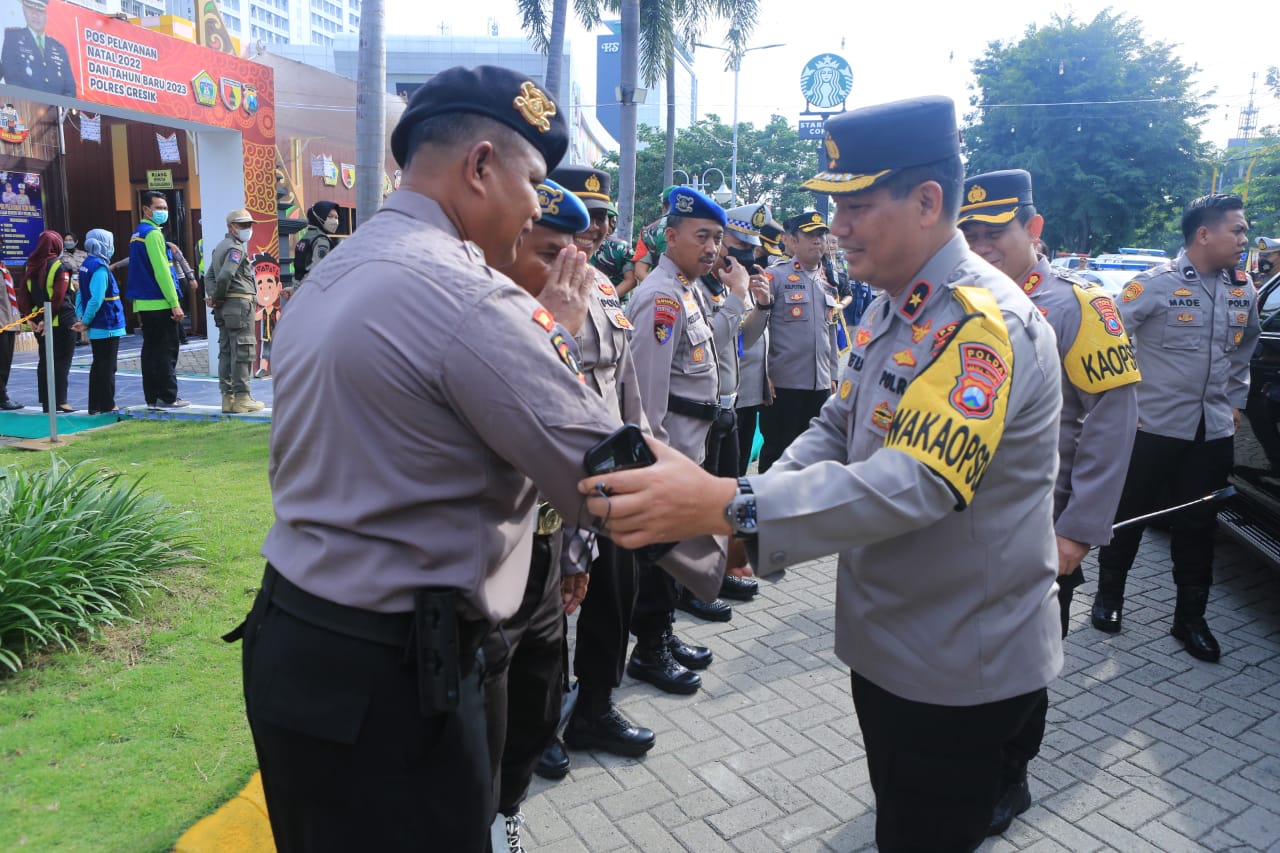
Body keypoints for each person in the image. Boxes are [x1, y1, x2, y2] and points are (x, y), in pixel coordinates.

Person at [582, 96, 1065, 852]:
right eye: (835, 205)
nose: (836, 225)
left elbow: (916, 482)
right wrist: (746, 513)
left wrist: (731, 505)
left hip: (957, 660)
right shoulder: (897, 308)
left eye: (857, 204)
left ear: (927, 201)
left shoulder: (980, 324)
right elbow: (838, 427)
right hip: (896, 644)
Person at [236, 65, 624, 852]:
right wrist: (743, 527)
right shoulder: (473, 298)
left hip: (294, 639)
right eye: (533, 182)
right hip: (399, 678)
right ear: (480, 167)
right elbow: (604, 476)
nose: (539, 215)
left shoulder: (332, 270)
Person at [958, 168, 1141, 835]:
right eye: (968, 234)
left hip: (1040, 530)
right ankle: (968, 756)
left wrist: (1078, 532)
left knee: (1022, 662)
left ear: (1032, 230)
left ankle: (1011, 772)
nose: (979, 248)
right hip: (959, 524)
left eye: (993, 234)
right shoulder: (958, 300)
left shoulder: (1078, 305)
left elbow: (1113, 421)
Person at [484, 177, 599, 852]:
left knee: (538, 698)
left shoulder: (569, 312)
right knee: (486, 709)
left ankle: (506, 813)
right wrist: (552, 329)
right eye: (552, 249)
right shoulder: (480, 322)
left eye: (574, 250)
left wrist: (578, 551)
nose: (570, 268)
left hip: (550, 546)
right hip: (493, 558)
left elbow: (589, 441)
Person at [1093, 194, 1259, 663]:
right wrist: (1121, 404)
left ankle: (1190, 619)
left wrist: (1234, 401)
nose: (1244, 240)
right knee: (1128, 513)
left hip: (1211, 433)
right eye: (1238, 230)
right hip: (1151, 426)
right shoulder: (1153, 285)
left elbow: (1245, 347)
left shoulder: (1242, 288)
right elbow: (1107, 340)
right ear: (1204, 234)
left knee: (1198, 523)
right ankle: (1109, 598)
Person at [545, 164, 659, 768]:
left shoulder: (608, 291)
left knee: (613, 593)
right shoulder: (525, 288)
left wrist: (647, 453)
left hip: (612, 475)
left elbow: (626, 382)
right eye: (581, 218)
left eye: (603, 218)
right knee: (545, 609)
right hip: (554, 480)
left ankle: (594, 706)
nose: (593, 231)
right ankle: (535, 729)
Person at [622, 185, 725, 693]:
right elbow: (646, 392)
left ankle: (663, 633)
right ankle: (650, 650)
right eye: (701, 236)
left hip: (691, 448)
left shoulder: (689, 289)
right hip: (670, 452)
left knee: (673, 554)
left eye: (717, 238)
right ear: (670, 236)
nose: (712, 248)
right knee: (659, 556)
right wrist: (657, 464)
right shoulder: (661, 297)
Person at [755, 209, 841, 472]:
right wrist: (763, 374)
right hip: (783, 385)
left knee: (813, 453)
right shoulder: (775, 276)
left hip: (820, 385)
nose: (818, 241)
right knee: (778, 452)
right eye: (810, 235)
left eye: (822, 235)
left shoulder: (828, 282)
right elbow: (759, 328)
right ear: (792, 241)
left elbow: (831, 334)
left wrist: (833, 375)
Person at [129, 191, 188, 409]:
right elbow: (162, 271)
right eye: (158, 207)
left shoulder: (137, 233)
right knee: (166, 350)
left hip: (144, 303)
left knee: (151, 351)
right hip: (160, 302)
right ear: (146, 209)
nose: (163, 212)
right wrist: (175, 302)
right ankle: (168, 396)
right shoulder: (153, 234)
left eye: (165, 208)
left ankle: (152, 397)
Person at [205, 209, 265, 414]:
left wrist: (214, 298)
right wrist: (218, 297)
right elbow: (224, 276)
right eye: (243, 225)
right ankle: (242, 398)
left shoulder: (220, 247)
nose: (248, 229)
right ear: (231, 227)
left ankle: (228, 398)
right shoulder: (235, 248)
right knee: (243, 350)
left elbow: (209, 277)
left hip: (226, 307)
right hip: (239, 304)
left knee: (227, 351)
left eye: (249, 225)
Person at [73, 229, 126, 414]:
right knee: (107, 366)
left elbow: (81, 293)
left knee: (98, 365)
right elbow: (96, 298)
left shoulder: (86, 264)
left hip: (97, 323)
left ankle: (94, 405)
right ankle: (107, 405)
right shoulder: (100, 268)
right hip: (107, 323)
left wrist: (81, 316)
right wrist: (86, 319)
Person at [22, 230, 76, 413]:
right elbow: (59, 295)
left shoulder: (29, 265)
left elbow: (23, 294)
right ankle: (60, 400)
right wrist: (48, 319)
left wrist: (30, 317)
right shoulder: (60, 266)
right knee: (62, 360)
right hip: (60, 320)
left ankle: (47, 402)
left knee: (45, 360)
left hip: (38, 320)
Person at [1, 0, 76, 96]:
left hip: (57, 109)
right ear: (24, 10)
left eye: (40, 10)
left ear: (46, 14)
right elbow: (11, 77)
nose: (35, 15)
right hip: (25, 105)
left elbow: (70, 89)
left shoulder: (59, 49)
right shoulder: (13, 39)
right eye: (30, 9)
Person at [630, 186, 677, 283]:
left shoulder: (648, 232)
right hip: (692, 292)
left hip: (661, 295)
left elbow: (639, 272)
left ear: (663, 207)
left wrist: (661, 287)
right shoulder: (696, 228)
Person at [289, 201, 339, 288]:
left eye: (336, 217)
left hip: (300, 287)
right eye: (330, 216)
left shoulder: (305, 237)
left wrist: (295, 287)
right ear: (319, 216)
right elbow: (317, 269)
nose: (335, 221)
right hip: (311, 290)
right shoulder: (321, 240)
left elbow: (298, 268)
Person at [0, 259, 24, 410]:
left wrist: (17, 320)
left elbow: (9, 297)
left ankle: (2, 394)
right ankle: (2, 397)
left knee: (5, 362)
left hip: (8, 321)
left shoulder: (3, 268)